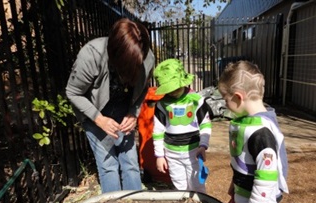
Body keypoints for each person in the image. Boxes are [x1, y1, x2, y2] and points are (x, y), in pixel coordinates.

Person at [66, 18, 155, 193]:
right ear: (115, 55)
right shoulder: (91, 55)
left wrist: (133, 113)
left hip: (124, 113)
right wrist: (99, 119)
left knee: (130, 163)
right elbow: (73, 92)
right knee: (109, 165)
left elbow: (143, 89)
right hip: (96, 114)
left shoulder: (146, 57)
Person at [218, 60, 289, 203]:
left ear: (238, 97)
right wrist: (236, 188)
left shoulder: (260, 132)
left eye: (226, 99)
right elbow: (245, 162)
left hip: (258, 201)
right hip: (249, 195)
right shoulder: (250, 124)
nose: (226, 104)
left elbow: (266, 175)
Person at [152, 58, 212, 193]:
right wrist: (159, 155)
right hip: (171, 152)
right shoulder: (161, 105)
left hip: (193, 151)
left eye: (176, 87)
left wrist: (203, 144)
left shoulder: (196, 100)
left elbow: (205, 124)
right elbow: (158, 130)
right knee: (178, 183)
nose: (173, 92)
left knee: (197, 184)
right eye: (169, 89)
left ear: (183, 81)